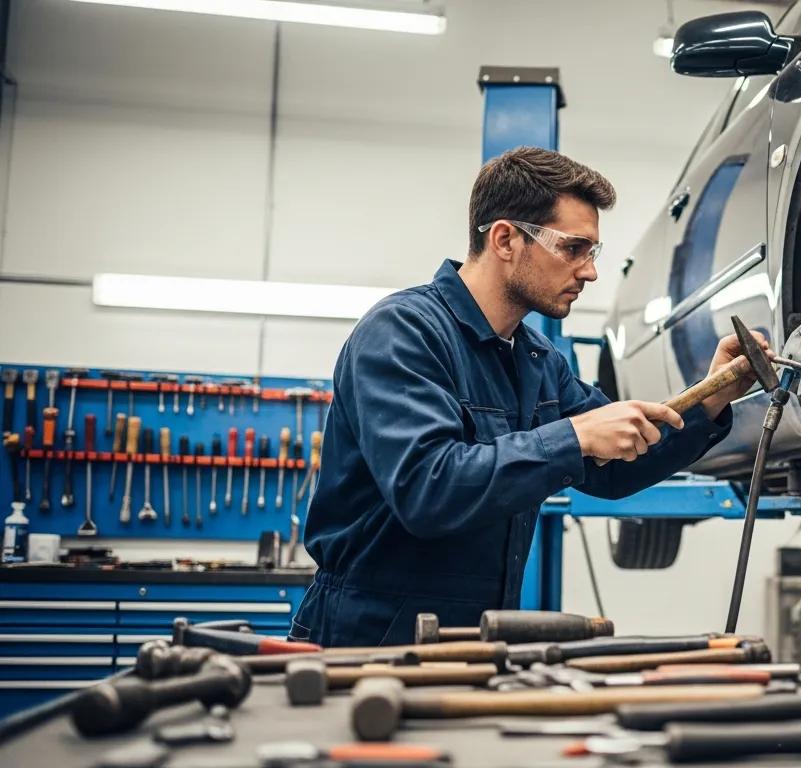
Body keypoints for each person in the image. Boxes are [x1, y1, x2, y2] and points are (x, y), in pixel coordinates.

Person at [289, 147, 764, 647]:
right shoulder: (402, 333)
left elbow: (615, 466)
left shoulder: (536, 359)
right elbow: (427, 488)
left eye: (593, 253)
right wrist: (574, 436)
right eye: (574, 248)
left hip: (474, 637)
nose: (590, 272)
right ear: (505, 239)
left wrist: (711, 400)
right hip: (366, 638)